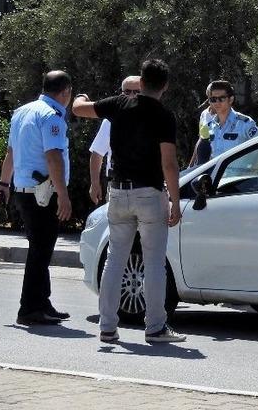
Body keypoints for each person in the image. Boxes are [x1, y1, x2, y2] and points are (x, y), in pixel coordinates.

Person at [72, 59, 185, 344]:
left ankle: (108, 327)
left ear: (142, 82)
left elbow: (78, 109)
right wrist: (175, 200)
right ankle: (155, 327)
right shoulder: (164, 116)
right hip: (149, 193)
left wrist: (80, 97)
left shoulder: (118, 104)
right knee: (154, 262)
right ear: (165, 86)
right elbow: (169, 164)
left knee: (115, 260)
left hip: (118, 192)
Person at [0, 71, 73, 326]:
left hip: (24, 191)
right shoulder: (52, 116)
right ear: (65, 92)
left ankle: (42, 302)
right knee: (40, 252)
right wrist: (63, 195)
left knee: (40, 249)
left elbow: (11, 152)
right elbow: (53, 157)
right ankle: (29, 309)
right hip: (43, 194)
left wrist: (4, 183)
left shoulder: (22, 111)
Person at [88, 76, 141, 204]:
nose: (132, 95)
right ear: (121, 94)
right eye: (127, 92)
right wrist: (95, 183)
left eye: (137, 92)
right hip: (117, 188)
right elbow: (97, 154)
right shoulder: (110, 121)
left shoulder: (156, 117)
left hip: (146, 188)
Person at [205, 80, 258, 159]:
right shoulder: (210, 126)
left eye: (221, 98)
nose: (217, 102)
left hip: (239, 171)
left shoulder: (244, 123)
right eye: (213, 99)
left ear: (230, 100)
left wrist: (254, 168)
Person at [188, 101, 215, 167]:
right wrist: (191, 164)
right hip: (201, 157)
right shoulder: (204, 113)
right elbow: (200, 138)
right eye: (212, 98)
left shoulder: (224, 115)